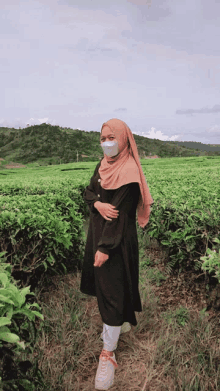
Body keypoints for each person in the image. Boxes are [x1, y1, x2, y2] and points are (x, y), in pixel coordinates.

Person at [80, 118, 154, 390]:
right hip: (99, 233)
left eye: (111, 137)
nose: (106, 142)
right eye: (102, 138)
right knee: (110, 287)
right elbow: (89, 192)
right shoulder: (101, 166)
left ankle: (107, 355)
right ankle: (119, 322)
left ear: (123, 139)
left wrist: (104, 248)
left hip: (116, 240)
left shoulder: (129, 172)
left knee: (111, 290)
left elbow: (121, 215)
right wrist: (98, 204)